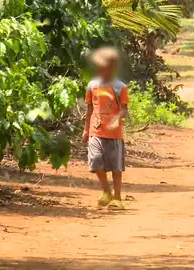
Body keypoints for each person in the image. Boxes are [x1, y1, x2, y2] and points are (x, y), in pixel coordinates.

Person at [82, 47, 129, 210]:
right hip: (96, 130)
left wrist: (117, 118)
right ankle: (106, 191)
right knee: (95, 162)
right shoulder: (92, 86)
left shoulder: (120, 87)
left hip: (114, 134)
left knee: (116, 167)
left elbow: (124, 110)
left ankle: (117, 198)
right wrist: (86, 130)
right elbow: (89, 110)